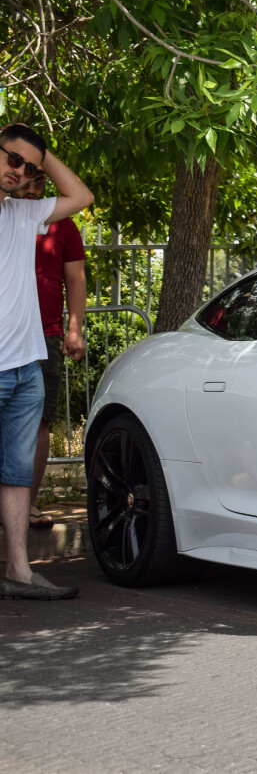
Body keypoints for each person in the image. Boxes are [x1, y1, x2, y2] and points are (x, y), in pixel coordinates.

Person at [0, 123, 93, 599]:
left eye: (30, 168)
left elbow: (81, 195)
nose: (21, 172)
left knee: (17, 473)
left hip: (24, 366)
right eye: (12, 160)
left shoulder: (25, 214)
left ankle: (18, 570)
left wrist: (41, 153)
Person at [24, 171, 86, 529]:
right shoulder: (8, 218)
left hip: (45, 335)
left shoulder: (64, 225)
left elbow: (76, 279)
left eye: (38, 184)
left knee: (39, 423)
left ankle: (28, 505)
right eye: (24, 184)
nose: (32, 192)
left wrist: (74, 331)